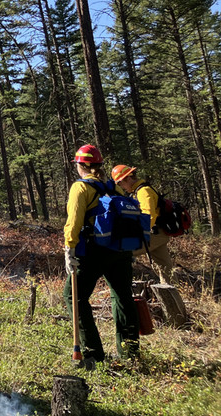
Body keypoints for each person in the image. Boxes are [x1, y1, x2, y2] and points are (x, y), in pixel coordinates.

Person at [63, 144, 139, 369]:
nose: (76, 167)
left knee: (73, 297)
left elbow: (74, 221)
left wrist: (70, 249)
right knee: (123, 297)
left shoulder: (81, 187)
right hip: (121, 250)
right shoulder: (112, 188)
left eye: (77, 164)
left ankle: (92, 354)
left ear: (82, 165)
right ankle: (130, 352)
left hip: (94, 250)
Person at [113, 164, 174, 284]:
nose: (121, 187)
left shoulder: (143, 191)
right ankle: (173, 294)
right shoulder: (139, 190)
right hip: (157, 234)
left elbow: (149, 216)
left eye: (120, 183)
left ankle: (123, 286)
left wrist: (137, 234)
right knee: (165, 269)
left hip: (153, 234)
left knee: (122, 253)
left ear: (128, 178)